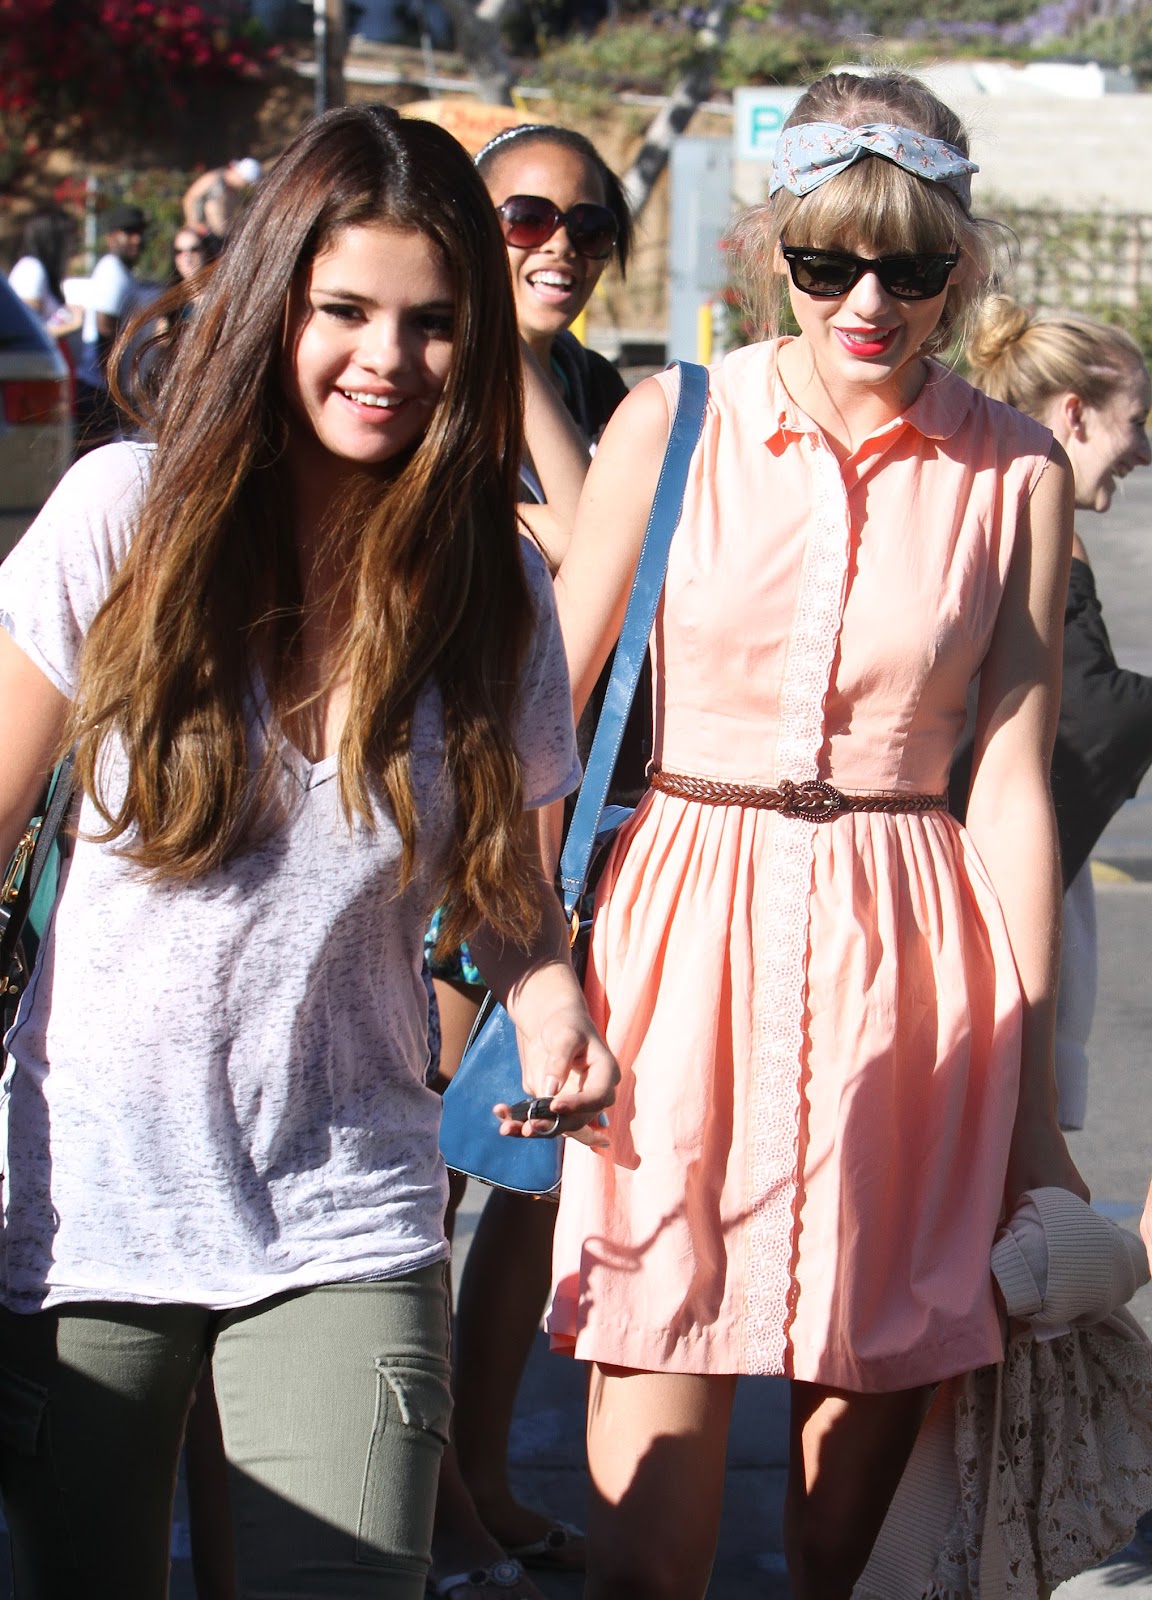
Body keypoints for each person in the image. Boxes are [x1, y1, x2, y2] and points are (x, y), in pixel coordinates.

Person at [0, 102, 616, 1595]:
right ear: (276, 300)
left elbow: (504, 883)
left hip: (347, 1207)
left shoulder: (494, 591)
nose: (388, 362)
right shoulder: (121, 519)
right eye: (346, 310)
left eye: (434, 324)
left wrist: (551, 1004)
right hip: (86, 1209)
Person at [539, 69, 1087, 1600]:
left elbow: (1016, 780)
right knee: (650, 1503)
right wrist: (534, 972)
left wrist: (1034, 1106)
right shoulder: (672, 422)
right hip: (678, 952)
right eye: (828, 259)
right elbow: (539, 719)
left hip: (910, 974)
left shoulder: (1017, 472)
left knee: (855, 1530)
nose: (868, 300)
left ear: (957, 265)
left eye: (911, 266)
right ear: (773, 245)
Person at [424, 124, 634, 1600]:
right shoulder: (433, 371)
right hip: (444, 832)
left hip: (563, 826)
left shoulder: (595, 388)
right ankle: (422, 1502)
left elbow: (629, 565)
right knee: (409, 1183)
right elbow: (576, 539)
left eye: (591, 225)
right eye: (525, 216)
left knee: (525, 1178)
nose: (560, 246)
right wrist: (489, 345)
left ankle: (479, 1472)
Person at [960, 298, 1152, 1130]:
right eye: (1135, 421)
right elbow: (1091, 721)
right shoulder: (1036, 531)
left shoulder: (980, 498)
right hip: (991, 925)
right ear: (1072, 413)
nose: (1143, 450)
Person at [74, 201, 148, 452]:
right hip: (98, 387)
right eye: (128, 232)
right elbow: (105, 328)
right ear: (111, 237)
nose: (136, 239)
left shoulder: (120, 271)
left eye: (139, 231)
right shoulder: (113, 271)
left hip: (100, 387)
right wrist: (116, 392)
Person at [8, 207, 81, 335]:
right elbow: (26, 330)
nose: (73, 245)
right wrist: (73, 325)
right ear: (52, 240)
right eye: (69, 239)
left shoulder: (38, 269)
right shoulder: (31, 269)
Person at [182, 156, 262, 239]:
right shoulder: (214, 179)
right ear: (240, 175)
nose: (246, 186)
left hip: (220, 239)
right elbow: (190, 198)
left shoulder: (235, 192)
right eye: (246, 182)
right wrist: (194, 223)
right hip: (201, 236)